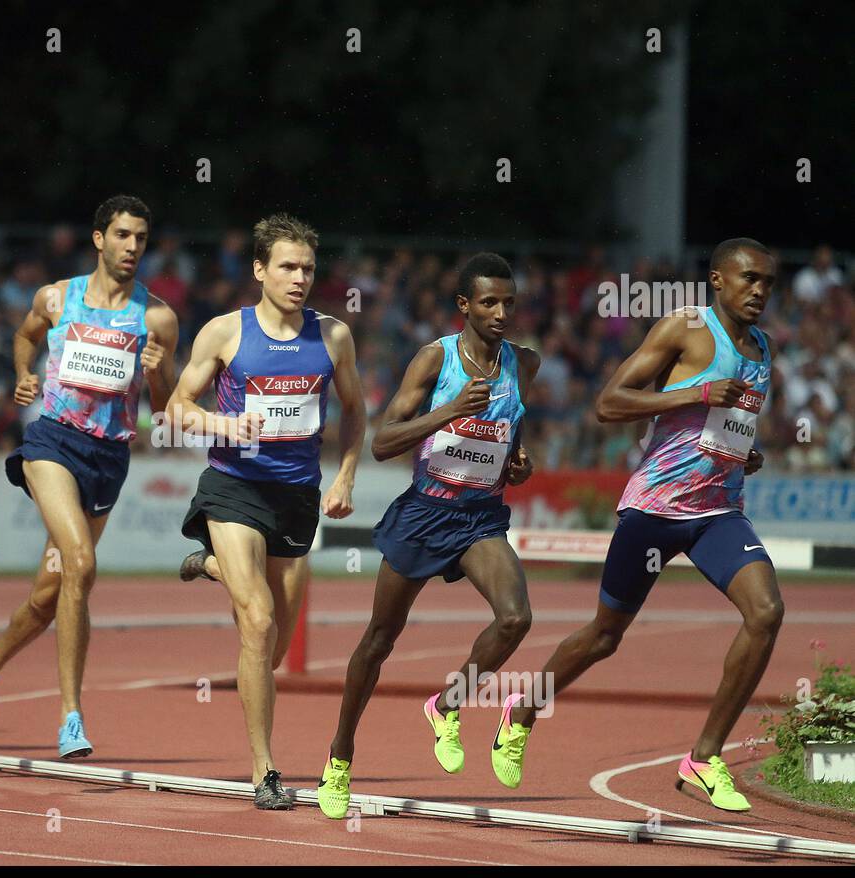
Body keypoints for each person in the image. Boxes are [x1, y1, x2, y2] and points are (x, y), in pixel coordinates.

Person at [508, 238, 782, 813]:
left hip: (718, 513)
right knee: (605, 637)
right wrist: (697, 390)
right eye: (749, 278)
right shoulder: (684, 329)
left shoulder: (763, 348)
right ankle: (525, 708)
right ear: (717, 281)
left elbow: (726, 429)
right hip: (655, 509)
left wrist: (742, 453)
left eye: (768, 282)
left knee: (767, 611)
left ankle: (704, 758)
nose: (759, 290)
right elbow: (609, 403)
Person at [315, 253, 541, 818]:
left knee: (515, 618)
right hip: (424, 512)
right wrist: (446, 412)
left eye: (509, 303)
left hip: (480, 517)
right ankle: (339, 757)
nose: (501, 313)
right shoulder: (434, 358)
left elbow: (509, 430)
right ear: (464, 305)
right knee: (380, 640)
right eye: (489, 302)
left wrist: (516, 460)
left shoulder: (524, 364)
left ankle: (448, 704)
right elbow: (384, 441)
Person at [0, 196, 179, 758]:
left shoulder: (156, 318)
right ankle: (70, 718)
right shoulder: (58, 297)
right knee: (81, 562)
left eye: (141, 239)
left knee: (50, 595)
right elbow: (26, 335)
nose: (132, 248)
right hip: (52, 441)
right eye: (122, 236)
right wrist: (25, 375)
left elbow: (166, 403)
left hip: (109, 457)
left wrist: (159, 375)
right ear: (99, 238)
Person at [167, 213, 366, 809]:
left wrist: (346, 474)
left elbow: (355, 413)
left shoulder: (333, 337)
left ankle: (207, 567)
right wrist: (225, 423)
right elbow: (175, 409)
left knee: (273, 648)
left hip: (297, 496)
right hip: (233, 487)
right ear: (259, 270)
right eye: (287, 266)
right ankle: (265, 773)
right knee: (256, 622)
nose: (300, 277)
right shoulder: (224, 333)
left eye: (308, 267)